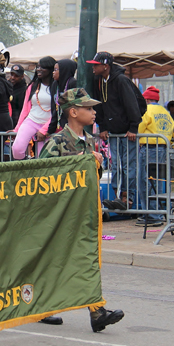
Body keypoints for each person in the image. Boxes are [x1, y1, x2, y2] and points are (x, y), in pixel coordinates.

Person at [37, 88, 125, 332]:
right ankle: (44, 307)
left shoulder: (88, 141)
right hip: (61, 215)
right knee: (57, 261)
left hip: (84, 212)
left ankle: (96, 312)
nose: (94, 112)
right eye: (88, 108)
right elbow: (44, 178)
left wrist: (95, 164)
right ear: (73, 112)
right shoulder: (56, 142)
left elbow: (91, 179)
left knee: (87, 261)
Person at [89, 52, 143, 211]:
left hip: (127, 132)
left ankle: (128, 198)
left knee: (128, 165)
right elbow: (99, 105)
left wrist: (133, 127)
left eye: (96, 65)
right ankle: (119, 196)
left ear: (105, 66)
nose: (93, 67)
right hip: (113, 131)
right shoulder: (99, 81)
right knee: (115, 164)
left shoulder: (120, 80)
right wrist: (103, 126)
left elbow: (131, 104)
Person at [135, 86, 174, 228]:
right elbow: (172, 126)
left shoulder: (147, 111)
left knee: (145, 182)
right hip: (163, 147)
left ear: (146, 99)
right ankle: (157, 213)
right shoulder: (165, 111)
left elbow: (139, 127)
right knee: (156, 182)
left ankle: (152, 215)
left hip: (149, 147)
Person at [13, 56, 54, 160]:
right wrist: (17, 128)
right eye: (38, 67)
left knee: (43, 158)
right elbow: (25, 109)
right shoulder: (33, 86)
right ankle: (26, 167)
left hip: (49, 126)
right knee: (17, 149)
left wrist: (44, 130)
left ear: (51, 69)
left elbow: (57, 112)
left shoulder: (56, 87)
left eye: (42, 67)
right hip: (31, 121)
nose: (39, 69)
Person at [47, 58, 78, 135]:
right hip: (60, 125)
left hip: (73, 127)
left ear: (64, 70)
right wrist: (50, 129)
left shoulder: (73, 83)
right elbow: (55, 108)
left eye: (56, 70)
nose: (53, 73)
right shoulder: (55, 84)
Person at [7, 64, 28, 128]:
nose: (13, 77)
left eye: (16, 76)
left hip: (18, 122)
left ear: (22, 76)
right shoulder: (7, 86)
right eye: (12, 75)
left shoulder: (25, 90)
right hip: (7, 121)